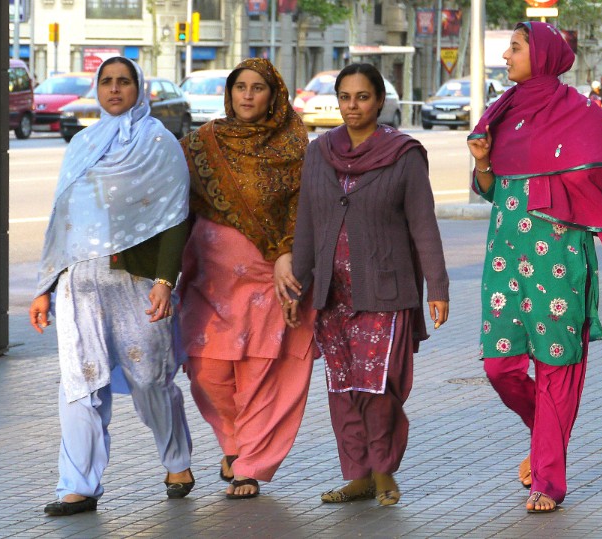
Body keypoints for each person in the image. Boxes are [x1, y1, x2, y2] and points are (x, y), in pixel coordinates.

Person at [466, 22, 602, 514]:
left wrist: (594, 204)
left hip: (557, 259)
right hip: (505, 260)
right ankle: (545, 437)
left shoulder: (579, 113)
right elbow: (492, 189)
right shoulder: (501, 112)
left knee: (556, 364)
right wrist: (482, 162)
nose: (506, 55)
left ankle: (548, 481)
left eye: (515, 47)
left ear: (543, 55)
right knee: (499, 366)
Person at [29, 57, 194, 517]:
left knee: (151, 380)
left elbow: (175, 217)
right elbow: (62, 220)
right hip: (80, 283)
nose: (115, 89)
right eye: (107, 82)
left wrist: (165, 280)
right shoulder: (82, 144)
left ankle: (177, 461)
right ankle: (78, 485)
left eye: (124, 82)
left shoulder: (160, 144)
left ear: (139, 89)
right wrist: (46, 286)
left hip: (137, 282)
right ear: (97, 89)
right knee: (79, 382)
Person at [284, 63, 450, 507]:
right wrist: (298, 284)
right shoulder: (319, 152)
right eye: (345, 97)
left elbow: (423, 225)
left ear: (379, 101)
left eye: (362, 97)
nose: (352, 106)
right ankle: (357, 475)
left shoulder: (403, 154)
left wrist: (438, 287)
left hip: (385, 291)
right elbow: (306, 225)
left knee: (378, 387)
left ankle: (383, 470)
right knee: (343, 387)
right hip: (332, 293)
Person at [175, 58, 315, 500]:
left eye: (258, 87)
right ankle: (235, 443)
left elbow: (303, 209)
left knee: (261, 373)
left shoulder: (293, 144)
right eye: (240, 87)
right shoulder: (201, 144)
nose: (248, 95)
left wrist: (287, 254)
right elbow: (170, 202)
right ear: (229, 93)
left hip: (270, 278)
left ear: (274, 95)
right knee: (207, 371)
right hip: (210, 282)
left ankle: (249, 465)